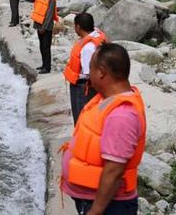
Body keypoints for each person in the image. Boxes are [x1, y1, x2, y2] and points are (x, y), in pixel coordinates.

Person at [60, 43, 146, 215]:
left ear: (101, 72)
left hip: (109, 207)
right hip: (92, 200)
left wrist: (96, 211)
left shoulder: (122, 115)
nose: (88, 75)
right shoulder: (106, 99)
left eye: (90, 69)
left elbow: (114, 170)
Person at [64, 13, 108, 124]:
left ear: (78, 27)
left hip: (83, 87)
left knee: (80, 117)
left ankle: (81, 139)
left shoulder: (88, 48)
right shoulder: (97, 34)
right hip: (89, 86)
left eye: (75, 26)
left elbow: (89, 74)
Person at [24, 0, 58, 74]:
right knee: (42, 46)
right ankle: (44, 65)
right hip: (39, 25)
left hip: (46, 27)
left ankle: (47, 68)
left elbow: (50, 15)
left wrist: (44, 27)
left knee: (46, 47)